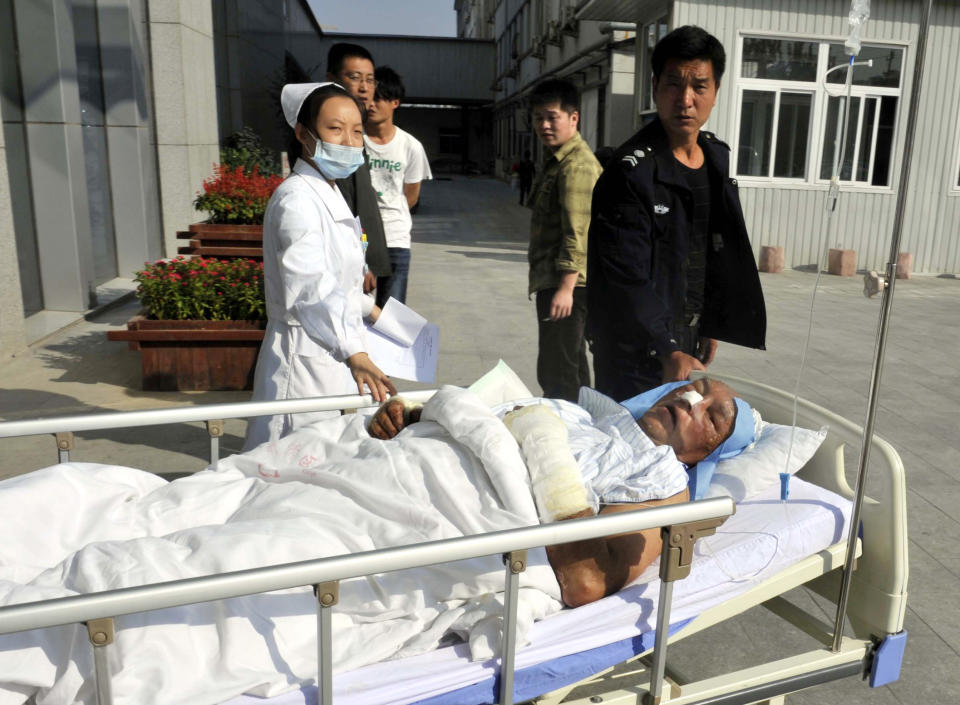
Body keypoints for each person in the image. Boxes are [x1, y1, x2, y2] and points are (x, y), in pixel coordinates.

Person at [367, 376, 755, 607]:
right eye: (694, 388)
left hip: (426, 516)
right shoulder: (572, 412)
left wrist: (545, 445)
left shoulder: (660, 475)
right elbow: (475, 424)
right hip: (388, 466)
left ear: (708, 453)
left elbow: (586, 581)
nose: (691, 401)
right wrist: (411, 414)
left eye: (712, 416)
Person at [586, 26, 766, 399]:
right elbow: (626, 274)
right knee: (632, 443)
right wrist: (666, 346)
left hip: (685, 338)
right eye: (673, 85)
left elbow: (713, 249)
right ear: (655, 88)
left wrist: (712, 322)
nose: (685, 99)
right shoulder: (631, 172)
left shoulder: (715, 158)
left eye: (699, 86)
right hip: (632, 347)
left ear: (715, 92)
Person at [244, 82, 397, 450]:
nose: (348, 141)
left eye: (357, 131)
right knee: (286, 465)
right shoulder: (296, 200)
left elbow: (339, 282)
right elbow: (310, 284)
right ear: (302, 132)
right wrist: (354, 352)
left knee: (320, 463)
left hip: (332, 352)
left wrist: (373, 311)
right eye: (334, 129)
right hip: (302, 359)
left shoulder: (329, 190)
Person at [526, 79, 603, 403]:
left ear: (574, 118)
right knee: (568, 365)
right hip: (557, 281)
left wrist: (566, 288)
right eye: (538, 117)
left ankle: (570, 432)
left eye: (552, 117)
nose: (544, 125)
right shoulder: (556, 159)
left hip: (568, 285)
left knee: (559, 370)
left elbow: (577, 231)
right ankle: (581, 422)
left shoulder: (576, 166)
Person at [363, 66, 432, 308]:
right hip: (359, 239)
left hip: (396, 240)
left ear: (395, 102)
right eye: (368, 98)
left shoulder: (410, 146)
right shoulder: (353, 141)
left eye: (378, 99)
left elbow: (410, 198)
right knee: (352, 315)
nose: (371, 105)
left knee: (391, 318)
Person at [326, 42, 391, 294]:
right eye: (354, 77)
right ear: (331, 79)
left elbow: (359, 206)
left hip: (359, 258)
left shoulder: (357, 130)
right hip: (344, 264)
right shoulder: (330, 134)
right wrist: (360, 261)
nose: (364, 88)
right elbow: (343, 208)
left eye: (370, 80)